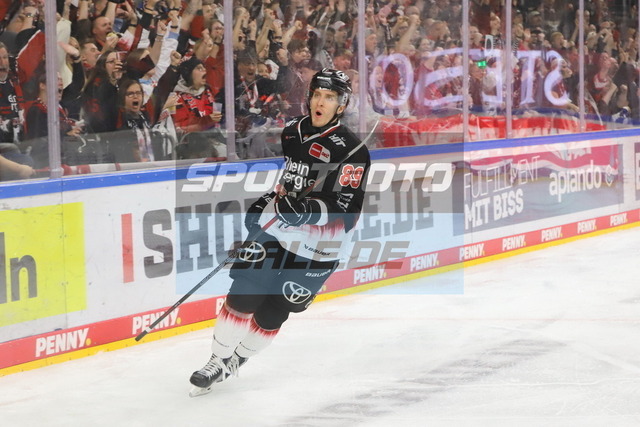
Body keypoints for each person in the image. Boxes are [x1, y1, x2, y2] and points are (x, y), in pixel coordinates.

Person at [189, 68, 370, 395]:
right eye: (317, 94)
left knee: (276, 309)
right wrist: (270, 201)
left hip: (321, 245)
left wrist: (306, 211)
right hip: (280, 229)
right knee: (245, 290)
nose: (320, 102)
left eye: (330, 97)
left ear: (341, 105)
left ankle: (237, 359)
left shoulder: (353, 150)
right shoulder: (291, 132)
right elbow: (290, 180)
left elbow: (346, 208)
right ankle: (216, 359)